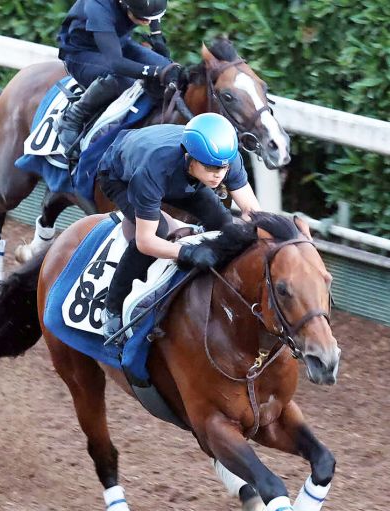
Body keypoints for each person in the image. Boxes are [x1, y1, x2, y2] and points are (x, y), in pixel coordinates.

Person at [97, 112, 262, 339]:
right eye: (211, 169)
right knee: (160, 231)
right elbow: (147, 241)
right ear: (189, 157)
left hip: (185, 180)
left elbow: (253, 214)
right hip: (121, 177)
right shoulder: (154, 166)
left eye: (223, 169)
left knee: (223, 223)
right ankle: (112, 307)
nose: (218, 176)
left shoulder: (225, 159)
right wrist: (188, 252)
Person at [56, 0, 179, 157]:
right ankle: (72, 117)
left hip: (118, 42)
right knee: (126, 81)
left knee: (171, 68)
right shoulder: (98, 7)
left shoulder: (136, 7)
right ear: (124, 5)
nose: (147, 22)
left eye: (151, 19)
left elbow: (152, 13)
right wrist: (156, 72)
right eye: (142, 18)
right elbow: (117, 64)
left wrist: (157, 36)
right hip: (81, 53)